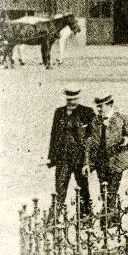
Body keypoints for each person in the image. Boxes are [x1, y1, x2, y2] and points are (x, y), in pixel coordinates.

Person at [47, 88, 98, 221]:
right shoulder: (59, 112)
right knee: (60, 187)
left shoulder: (87, 112)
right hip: (63, 158)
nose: (72, 102)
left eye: (75, 99)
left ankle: (86, 216)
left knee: (83, 189)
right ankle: (54, 217)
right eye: (69, 99)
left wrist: (88, 161)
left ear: (79, 98)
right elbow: (54, 135)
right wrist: (51, 157)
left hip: (80, 159)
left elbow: (92, 138)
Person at [91, 94, 128, 229]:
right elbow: (91, 142)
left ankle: (107, 219)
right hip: (101, 162)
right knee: (104, 189)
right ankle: (113, 217)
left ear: (110, 105)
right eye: (97, 106)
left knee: (112, 188)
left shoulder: (122, 118)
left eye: (101, 106)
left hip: (117, 161)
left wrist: (127, 141)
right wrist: (89, 162)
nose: (99, 109)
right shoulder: (95, 120)